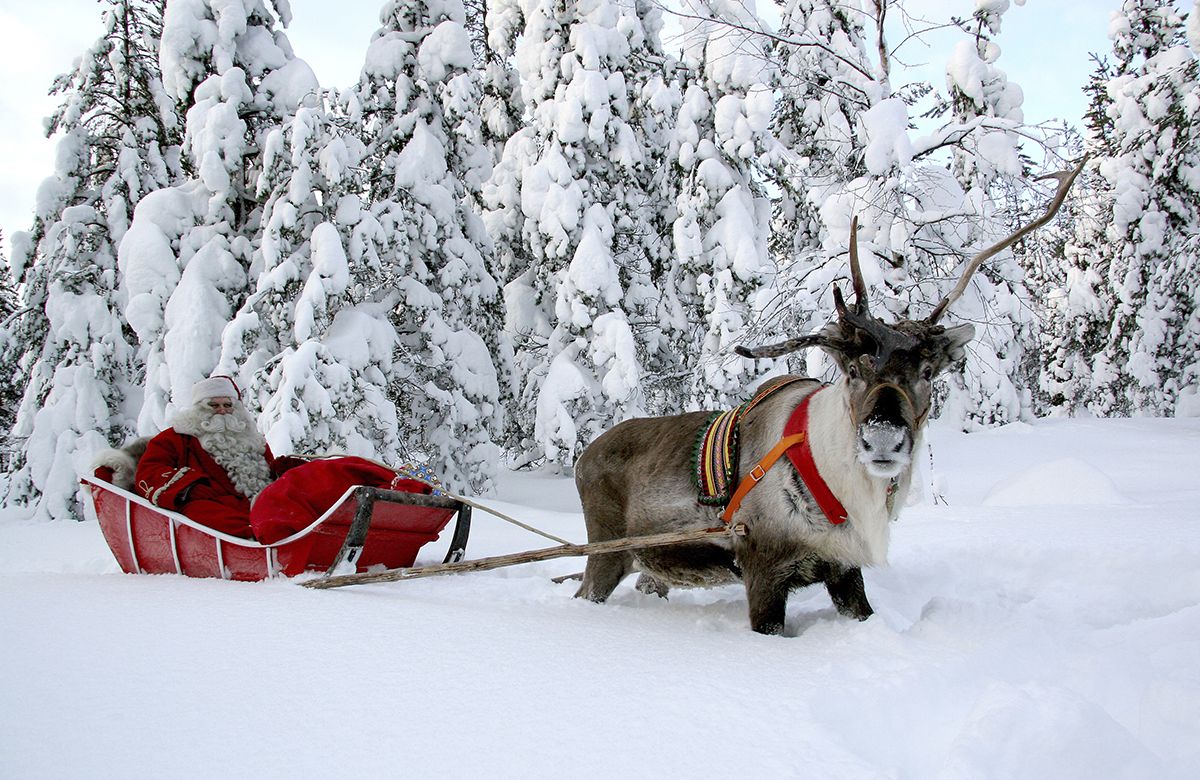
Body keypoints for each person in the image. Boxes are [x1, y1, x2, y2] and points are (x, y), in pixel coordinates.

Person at [134, 375, 286, 538]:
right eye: (213, 405)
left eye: (228, 405)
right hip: (215, 506)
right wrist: (192, 488)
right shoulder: (176, 438)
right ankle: (257, 539)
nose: (222, 410)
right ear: (198, 409)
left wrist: (285, 469)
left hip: (261, 503)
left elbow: (270, 473)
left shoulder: (252, 439)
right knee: (201, 510)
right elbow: (149, 471)